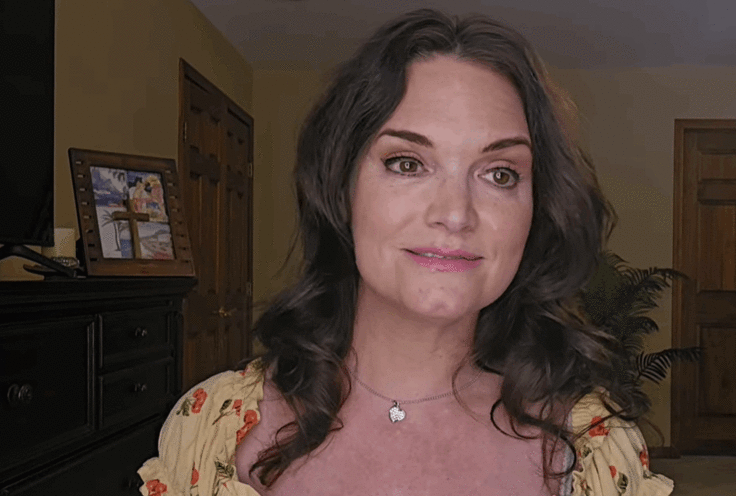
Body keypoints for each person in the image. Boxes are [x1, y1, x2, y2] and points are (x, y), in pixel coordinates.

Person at [138, 8, 674, 496]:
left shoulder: (591, 449)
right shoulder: (216, 428)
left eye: (499, 174)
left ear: (536, 209)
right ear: (341, 188)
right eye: (407, 163)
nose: (456, 213)